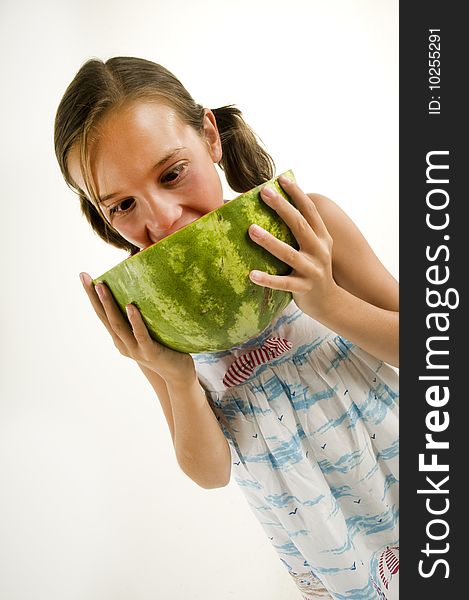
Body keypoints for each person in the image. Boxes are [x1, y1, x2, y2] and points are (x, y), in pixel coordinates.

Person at [54, 56, 399, 600]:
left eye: (171, 173)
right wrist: (176, 377)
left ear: (210, 135)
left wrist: (328, 302)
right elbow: (209, 472)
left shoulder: (307, 225)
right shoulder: (150, 317)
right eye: (122, 204)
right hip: (326, 540)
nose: (163, 217)